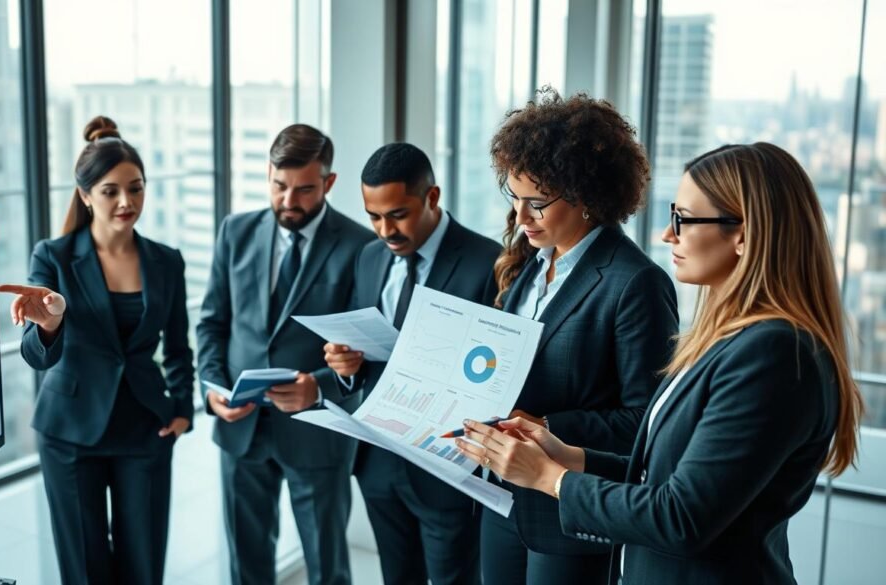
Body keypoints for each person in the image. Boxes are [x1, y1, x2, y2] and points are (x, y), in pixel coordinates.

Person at [457, 142, 865, 583]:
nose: (669, 235)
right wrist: (569, 456)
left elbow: (681, 517)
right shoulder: (731, 338)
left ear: (744, 235)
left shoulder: (776, 353)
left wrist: (550, 478)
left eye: (683, 220)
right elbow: (661, 477)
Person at [478, 88, 679, 584]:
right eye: (515, 198)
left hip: (567, 515)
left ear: (586, 196)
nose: (520, 218)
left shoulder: (636, 283)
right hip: (501, 497)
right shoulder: (531, 264)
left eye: (537, 203)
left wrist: (546, 424)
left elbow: (645, 423)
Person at [0, 116, 194, 585]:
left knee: (144, 565)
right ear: (85, 196)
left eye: (136, 188)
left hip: (146, 428)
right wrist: (51, 322)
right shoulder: (53, 256)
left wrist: (183, 409)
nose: (126, 201)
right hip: (70, 434)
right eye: (110, 191)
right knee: (85, 571)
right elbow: (37, 356)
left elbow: (178, 346)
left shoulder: (167, 261)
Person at [196, 124, 375, 585]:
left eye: (304, 189)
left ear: (329, 183)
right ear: (268, 175)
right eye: (279, 186)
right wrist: (212, 390)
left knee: (327, 567)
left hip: (317, 433)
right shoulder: (235, 231)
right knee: (246, 566)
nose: (289, 201)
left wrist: (319, 385)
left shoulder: (361, 247)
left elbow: (366, 351)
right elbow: (212, 324)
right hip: (241, 429)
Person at [323, 143, 501, 585]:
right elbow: (364, 353)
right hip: (378, 458)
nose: (386, 230)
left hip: (446, 463)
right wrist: (347, 367)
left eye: (398, 214)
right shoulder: (369, 257)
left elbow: (496, 373)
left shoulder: (489, 262)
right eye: (374, 217)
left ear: (432, 197)